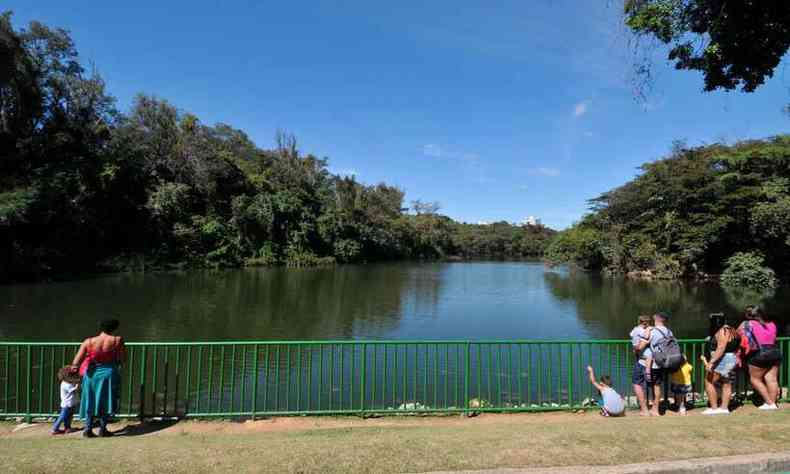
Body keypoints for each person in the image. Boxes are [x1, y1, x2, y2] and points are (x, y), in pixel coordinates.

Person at [70, 319, 125, 438]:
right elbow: (122, 359)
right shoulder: (117, 340)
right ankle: (103, 429)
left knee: (90, 400)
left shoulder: (88, 341)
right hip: (109, 374)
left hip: (91, 374)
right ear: (114, 328)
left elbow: (76, 362)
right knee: (106, 400)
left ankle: (88, 429)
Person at [738, 305, 782, 410]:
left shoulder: (746, 324)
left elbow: (737, 335)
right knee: (771, 379)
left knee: (754, 379)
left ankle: (769, 402)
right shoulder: (772, 324)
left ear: (747, 315)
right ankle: (772, 404)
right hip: (775, 352)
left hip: (760, 354)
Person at [636, 312, 673, 416]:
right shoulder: (669, 332)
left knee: (642, 383)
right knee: (657, 386)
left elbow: (640, 347)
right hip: (664, 362)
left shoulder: (652, 331)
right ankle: (655, 410)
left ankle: (647, 409)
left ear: (656, 319)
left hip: (653, 363)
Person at [702, 313, 738, 415]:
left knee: (709, 381)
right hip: (732, 358)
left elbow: (721, 348)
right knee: (727, 383)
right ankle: (724, 408)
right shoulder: (731, 329)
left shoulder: (722, 330)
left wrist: (711, 362)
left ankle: (714, 408)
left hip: (722, 359)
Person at [629, 315, 653, 416]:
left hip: (642, 361)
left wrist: (636, 348)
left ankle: (644, 409)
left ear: (639, 321)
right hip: (656, 361)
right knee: (655, 385)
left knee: (637, 383)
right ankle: (655, 408)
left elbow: (637, 347)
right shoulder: (653, 330)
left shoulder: (637, 331)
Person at [51, 366, 81, 435]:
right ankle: (55, 429)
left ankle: (67, 428)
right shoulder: (65, 383)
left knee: (69, 416)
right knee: (62, 416)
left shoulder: (69, 382)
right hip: (67, 404)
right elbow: (73, 390)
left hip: (71, 403)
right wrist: (77, 385)